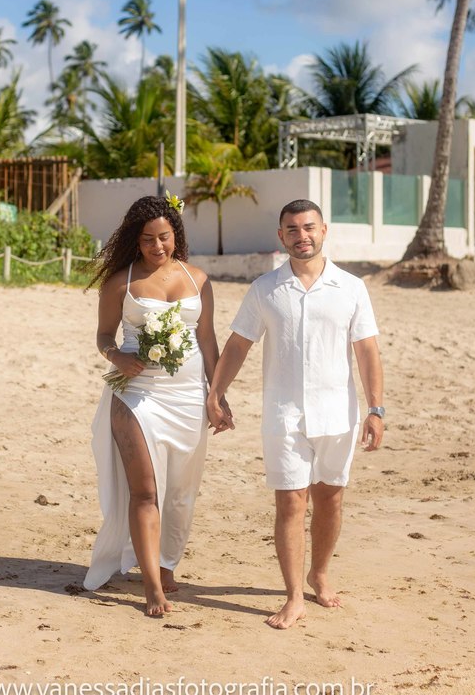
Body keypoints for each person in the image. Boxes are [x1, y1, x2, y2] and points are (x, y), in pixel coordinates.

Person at [206, 199, 384, 629]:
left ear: (324, 230)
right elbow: (237, 345)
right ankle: (292, 596)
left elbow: (367, 351)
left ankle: (319, 574)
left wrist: (376, 409)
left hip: (338, 415)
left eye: (308, 227)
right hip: (283, 416)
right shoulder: (265, 289)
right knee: (289, 502)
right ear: (281, 236)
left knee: (330, 499)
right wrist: (217, 393)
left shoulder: (352, 287)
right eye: (292, 229)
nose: (301, 235)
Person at [83, 193, 228, 616]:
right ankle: (151, 587)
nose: (157, 247)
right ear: (136, 239)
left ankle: (165, 565)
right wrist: (116, 356)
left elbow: (207, 340)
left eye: (164, 237)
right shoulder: (120, 283)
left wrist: (217, 395)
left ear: (175, 235)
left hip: (187, 398)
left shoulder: (198, 279)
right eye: (148, 239)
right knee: (145, 493)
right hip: (136, 395)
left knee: (181, 492)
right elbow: (103, 336)